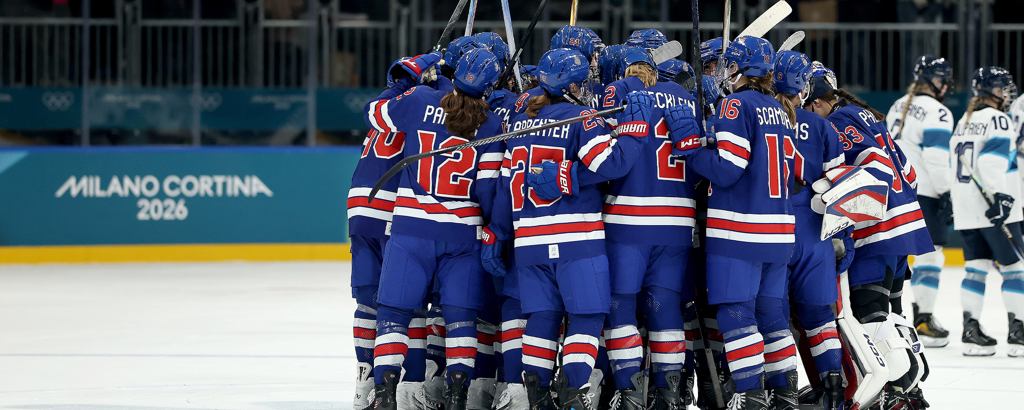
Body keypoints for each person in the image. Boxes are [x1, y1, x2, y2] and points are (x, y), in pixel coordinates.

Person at [485, 47, 651, 410]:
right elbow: (613, 164)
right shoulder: (581, 118)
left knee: (542, 320)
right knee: (587, 317)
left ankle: (539, 398)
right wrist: (634, 130)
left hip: (529, 240)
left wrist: (496, 233)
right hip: (577, 239)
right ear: (572, 85)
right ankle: (574, 395)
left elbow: (503, 185)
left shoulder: (517, 121)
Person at [363, 48, 506, 410]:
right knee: (460, 320)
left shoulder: (420, 99)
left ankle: (384, 397)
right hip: (462, 235)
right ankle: (457, 398)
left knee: (394, 316)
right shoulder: (490, 123)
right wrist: (492, 228)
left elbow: (374, 115)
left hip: (411, 230)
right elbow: (488, 188)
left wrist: (403, 81)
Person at [667, 36, 796, 409]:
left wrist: (691, 147)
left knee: (736, 313)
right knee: (772, 315)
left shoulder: (735, 103)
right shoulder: (777, 107)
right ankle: (784, 395)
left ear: (739, 68)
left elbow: (727, 170)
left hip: (740, 231)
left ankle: (751, 396)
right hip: (778, 230)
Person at [808, 63, 934, 407]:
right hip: (902, 226)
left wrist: (833, 199)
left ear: (818, 102)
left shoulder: (837, 121)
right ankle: (910, 391)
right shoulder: (866, 115)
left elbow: (873, 167)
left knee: (869, 313)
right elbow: (907, 171)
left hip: (877, 230)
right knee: (891, 311)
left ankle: (898, 386)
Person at [596, 46, 698, 410]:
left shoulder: (619, 91)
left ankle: (630, 393)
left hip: (629, 218)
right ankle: (668, 394)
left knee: (620, 305)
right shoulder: (684, 96)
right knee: (665, 305)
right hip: (677, 220)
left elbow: (604, 155)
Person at [773, 50, 847, 410]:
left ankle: (780, 395)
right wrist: (841, 236)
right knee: (821, 321)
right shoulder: (822, 125)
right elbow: (839, 186)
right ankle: (834, 391)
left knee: (773, 320)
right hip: (816, 230)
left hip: (771, 225)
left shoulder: (761, 116)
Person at [949, 66, 1024, 358]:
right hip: (994, 206)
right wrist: (1002, 198)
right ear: (992, 91)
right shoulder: (999, 119)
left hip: (966, 207)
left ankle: (971, 331)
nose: (1007, 94)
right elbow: (992, 163)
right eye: (1003, 88)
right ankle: (1018, 332)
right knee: (1015, 269)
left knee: (975, 268)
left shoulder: (964, 120)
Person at [885, 55, 956, 348]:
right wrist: (947, 192)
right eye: (942, 79)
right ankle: (923, 318)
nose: (945, 86)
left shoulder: (898, 104)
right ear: (934, 81)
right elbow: (936, 158)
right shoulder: (938, 111)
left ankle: (888, 317)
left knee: (893, 255)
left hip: (891, 190)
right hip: (922, 190)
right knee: (930, 257)